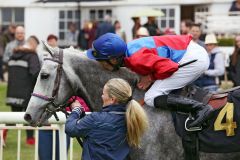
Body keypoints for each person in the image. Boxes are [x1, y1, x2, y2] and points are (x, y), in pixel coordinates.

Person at [86, 33, 216, 128]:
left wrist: (150, 78)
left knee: (151, 97)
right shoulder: (128, 49)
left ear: (113, 60)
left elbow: (170, 67)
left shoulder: (135, 58)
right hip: (190, 51)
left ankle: (201, 109)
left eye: (101, 61)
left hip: (193, 60)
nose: (100, 65)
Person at [65, 78, 149, 160]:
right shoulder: (132, 120)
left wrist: (76, 110)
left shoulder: (95, 119)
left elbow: (70, 129)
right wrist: (82, 114)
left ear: (112, 99)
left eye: (103, 94)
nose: (101, 96)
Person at [5, 35, 40, 145]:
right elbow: (35, 73)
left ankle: (2, 134)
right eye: (36, 45)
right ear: (32, 44)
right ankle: (30, 140)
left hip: (12, 91)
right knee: (29, 116)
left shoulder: (13, 54)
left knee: (13, 117)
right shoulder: (32, 55)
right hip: (26, 92)